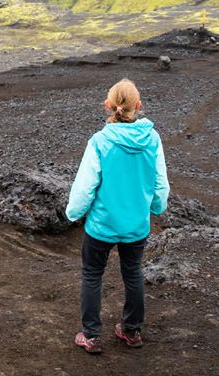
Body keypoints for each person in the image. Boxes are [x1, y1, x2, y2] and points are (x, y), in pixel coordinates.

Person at [65, 78, 169, 354]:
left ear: (108, 106)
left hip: (102, 224)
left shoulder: (100, 142)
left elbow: (86, 183)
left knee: (92, 274)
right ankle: (132, 331)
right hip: (136, 224)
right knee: (133, 273)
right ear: (138, 106)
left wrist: (74, 212)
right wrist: (157, 207)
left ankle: (91, 335)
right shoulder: (152, 139)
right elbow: (160, 182)